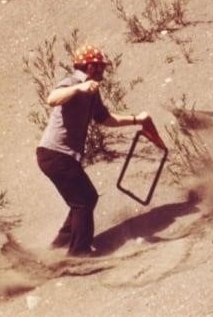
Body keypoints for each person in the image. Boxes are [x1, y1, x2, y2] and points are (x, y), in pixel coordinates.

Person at [36, 44, 164, 257]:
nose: (103, 70)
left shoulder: (92, 91)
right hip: (54, 154)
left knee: (86, 198)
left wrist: (136, 120)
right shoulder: (73, 82)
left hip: (62, 156)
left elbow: (105, 119)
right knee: (83, 200)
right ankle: (78, 252)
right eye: (99, 66)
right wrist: (78, 88)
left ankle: (62, 242)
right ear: (89, 66)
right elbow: (52, 99)